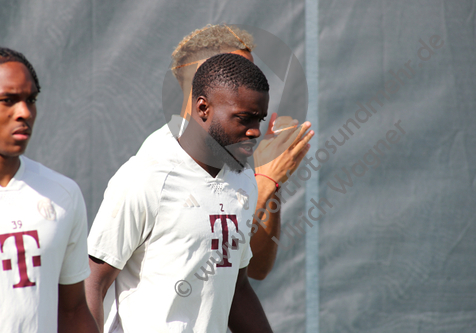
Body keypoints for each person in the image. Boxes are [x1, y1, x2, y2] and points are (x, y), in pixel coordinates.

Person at [86, 53, 275, 332]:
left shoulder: (244, 178)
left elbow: (237, 284)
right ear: (202, 108)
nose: (255, 132)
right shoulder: (147, 176)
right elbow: (92, 281)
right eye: (244, 119)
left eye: (259, 119)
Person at [167, 24, 314, 280]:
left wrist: (272, 178)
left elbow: (256, 268)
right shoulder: (163, 164)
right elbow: (207, 257)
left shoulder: (231, 157)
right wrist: (265, 182)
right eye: (235, 73)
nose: (250, 81)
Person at [0, 47, 99, 332]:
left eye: (30, 100)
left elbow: (73, 309)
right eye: (8, 100)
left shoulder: (62, 194)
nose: (24, 112)